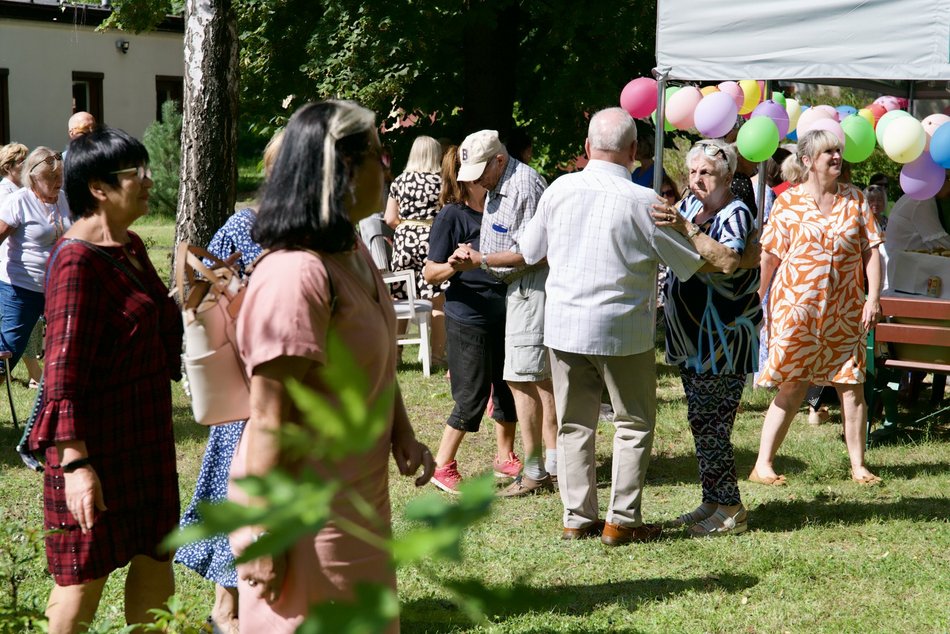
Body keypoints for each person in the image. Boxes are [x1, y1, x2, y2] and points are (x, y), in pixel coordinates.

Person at [230, 100, 434, 633]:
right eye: (378, 155)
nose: (387, 168)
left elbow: (373, 360)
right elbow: (268, 418)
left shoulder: (352, 251)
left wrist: (402, 433)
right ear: (342, 168)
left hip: (359, 509)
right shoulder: (295, 274)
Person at [520, 107, 705, 544]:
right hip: (623, 330)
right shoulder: (645, 202)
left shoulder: (559, 189)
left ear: (587, 147)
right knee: (633, 423)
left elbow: (529, 251)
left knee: (573, 424)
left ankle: (576, 517)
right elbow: (688, 264)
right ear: (634, 150)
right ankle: (621, 521)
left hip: (565, 325)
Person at [27, 127, 183, 632]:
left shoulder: (129, 245)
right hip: (94, 448)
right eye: (136, 172)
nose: (149, 180)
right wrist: (77, 466)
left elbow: (161, 319)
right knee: (81, 581)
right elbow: (61, 377)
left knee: (156, 556)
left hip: (144, 437)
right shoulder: (76, 261)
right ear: (98, 187)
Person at [174, 130, 283, 634]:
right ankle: (225, 608)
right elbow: (197, 296)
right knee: (237, 493)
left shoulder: (315, 232)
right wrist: (243, 285)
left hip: (294, 389)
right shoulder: (243, 226)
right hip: (244, 386)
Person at [752, 129, 883, 486]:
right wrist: (755, 301)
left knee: (851, 385)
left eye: (838, 150)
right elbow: (769, 257)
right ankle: (763, 464)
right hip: (796, 309)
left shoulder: (855, 199)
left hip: (845, 310)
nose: (837, 157)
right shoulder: (788, 203)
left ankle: (858, 466)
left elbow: (872, 250)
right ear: (808, 161)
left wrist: (873, 297)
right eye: (828, 152)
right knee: (794, 384)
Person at [654, 139, 761, 537]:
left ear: (728, 178)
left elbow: (728, 259)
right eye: (693, 171)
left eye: (707, 173)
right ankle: (712, 500)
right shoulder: (689, 206)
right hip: (692, 337)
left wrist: (685, 229)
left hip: (724, 338)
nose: (697, 179)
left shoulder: (735, 212)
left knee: (713, 424)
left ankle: (731, 509)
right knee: (700, 421)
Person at [453, 129, 558, 496]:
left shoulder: (524, 185)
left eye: (481, 172)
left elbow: (536, 253)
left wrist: (482, 259)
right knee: (529, 377)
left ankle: (540, 470)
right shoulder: (499, 182)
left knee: (528, 377)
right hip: (517, 289)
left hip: (531, 286)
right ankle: (548, 466)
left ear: (500, 160)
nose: (476, 182)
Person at [423, 146, 519, 494]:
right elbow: (430, 273)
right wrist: (454, 265)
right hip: (468, 317)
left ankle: (504, 457)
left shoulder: (498, 209)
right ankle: (441, 465)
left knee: (508, 385)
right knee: (472, 395)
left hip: (504, 312)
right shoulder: (452, 216)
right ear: (469, 179)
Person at [0, 147, 72, 370]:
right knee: (8, 352)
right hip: (21, 289)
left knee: (70, 347)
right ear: (33, 177)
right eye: (51, 177)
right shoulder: (19, 201)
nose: (58, 181)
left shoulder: (64, 200)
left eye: (60, 175)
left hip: (60, 288)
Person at [384, 135, 448, 363]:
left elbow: (390, 218)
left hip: (404, 244)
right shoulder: (441, 182)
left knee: (401, 299)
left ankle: (397, 355)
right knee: (437, 301)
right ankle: (437, 356)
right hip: (433, 242)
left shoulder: (399, 181)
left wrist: (408, 229)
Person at [0, 142, 43, 387]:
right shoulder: (6, 194)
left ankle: (35, 374)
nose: (26, 165)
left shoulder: (25, 190)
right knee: (18, 330)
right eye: (21, 162)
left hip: (30, 276)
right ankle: (35, 375)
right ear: (8, 167)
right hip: (11, 270)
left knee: (28, 327)